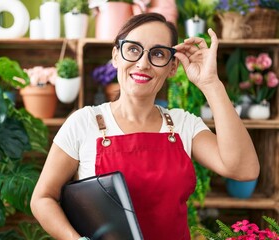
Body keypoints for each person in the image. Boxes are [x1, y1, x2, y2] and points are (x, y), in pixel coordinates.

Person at [30, 12, 260, 240]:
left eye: (158, 54)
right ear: (116, 56)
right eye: (132, 49)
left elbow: (244, 169)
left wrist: (211, 84)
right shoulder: (83, 123)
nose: (142, 63)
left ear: (171, 68)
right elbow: (42, 198)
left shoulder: (183, 125)